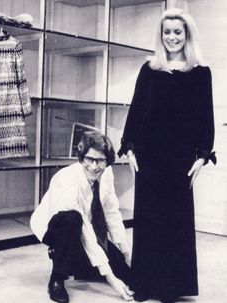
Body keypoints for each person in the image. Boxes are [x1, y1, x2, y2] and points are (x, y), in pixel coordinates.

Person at [118, 8, 216, 303]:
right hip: (150, 155)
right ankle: (145, 285)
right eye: (167, 32)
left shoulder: (200, 72)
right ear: (160, 36)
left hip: (181, 158)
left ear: (187, 35)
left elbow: (205, 117)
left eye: (177, 32)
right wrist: (130, 146)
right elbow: (136, 110)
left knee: (175, 221)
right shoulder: (149, 69)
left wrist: (202, 154)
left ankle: (172, 288)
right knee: (148, 220)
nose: (172, 37)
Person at [30, 131, 134, 303]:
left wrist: (127, 254)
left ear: (107, 161)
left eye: (100, 160)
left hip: (88, 225)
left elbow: (112, 212)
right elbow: (85, 231)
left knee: (128, 273)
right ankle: (57, 278)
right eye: (89, 159)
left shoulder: (106, 173)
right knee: (72, 220)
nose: (94, 167)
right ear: (81, 158)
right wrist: (111, 279)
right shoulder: (67, 181)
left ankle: (83, 266)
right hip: (55, 226)